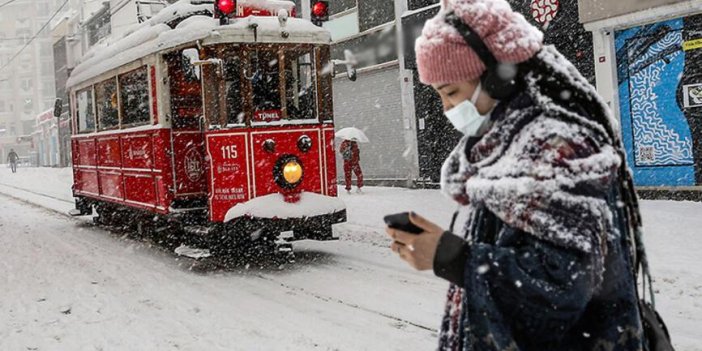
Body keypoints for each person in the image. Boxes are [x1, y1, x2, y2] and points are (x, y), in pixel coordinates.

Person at [386, 0, 647, 350]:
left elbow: (562, 288)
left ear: (497, 77)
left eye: (451, 92)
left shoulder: (557, 148)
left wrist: (451, 256)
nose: (447, 109)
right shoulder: (508, 145)